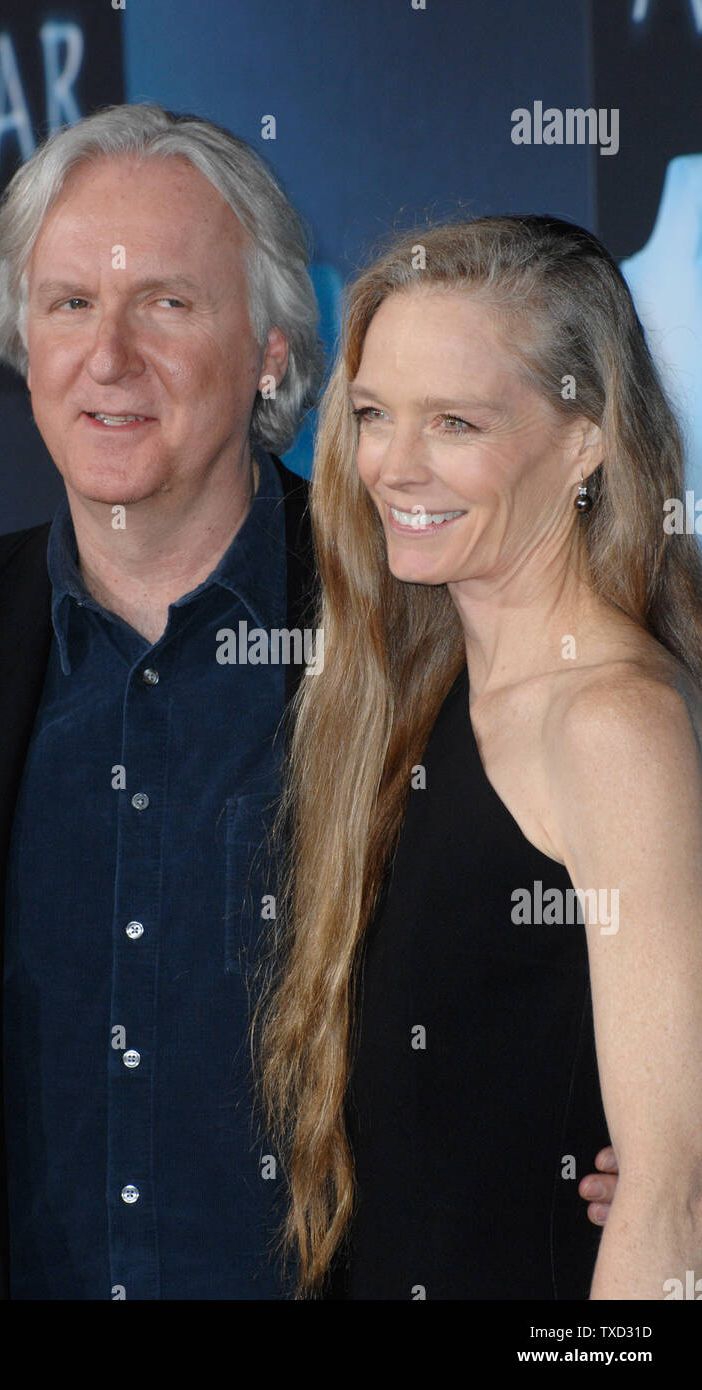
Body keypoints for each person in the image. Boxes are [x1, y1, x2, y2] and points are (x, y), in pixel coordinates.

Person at [0, 105, 614, 1301]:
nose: (108, 357)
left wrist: (667, 1152)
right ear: (19, 336)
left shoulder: (438, 630)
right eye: (67, 304)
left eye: (165, 302)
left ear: (268, 347)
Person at [259, 214, 702, 1300]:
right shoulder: (410, 685)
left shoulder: (609, 722)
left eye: (453, 422)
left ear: (584, 436)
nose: (392, 467)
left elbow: (662, 1208)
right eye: (371, 415)